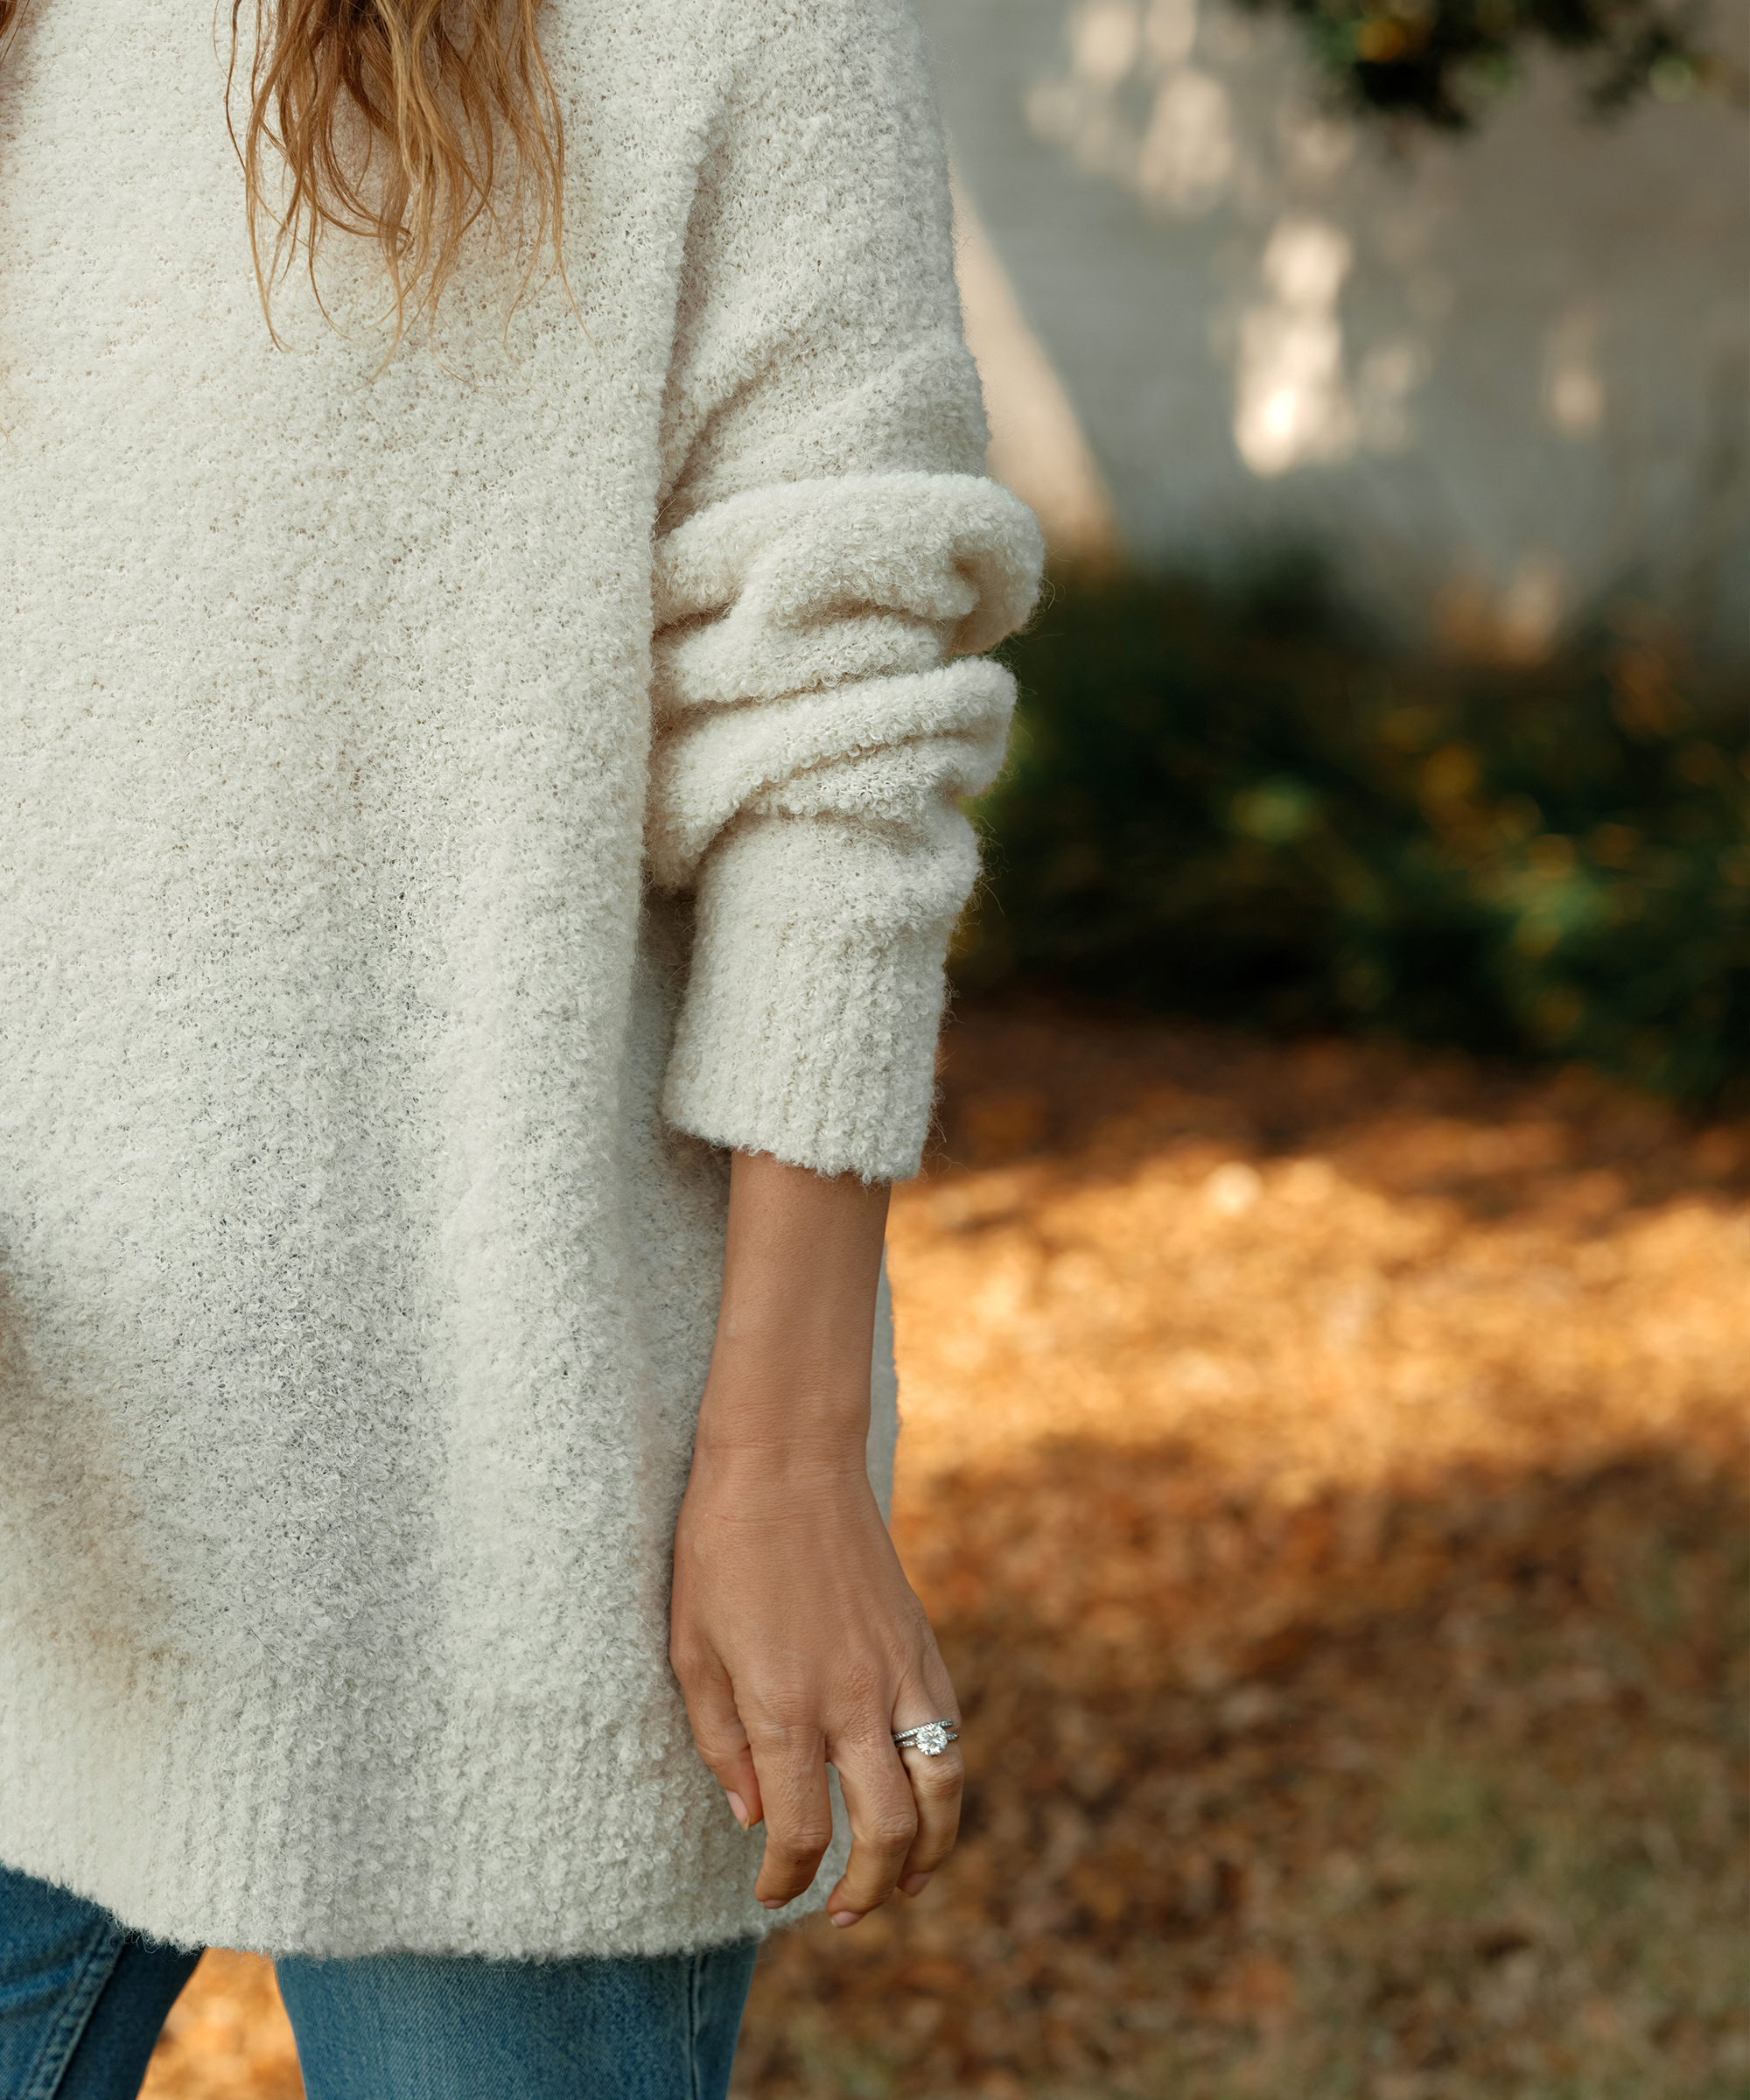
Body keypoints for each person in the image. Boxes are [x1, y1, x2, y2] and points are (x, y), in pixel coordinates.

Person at [0, 0, 1043, 2091]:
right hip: (41, 1482)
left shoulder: (731, 30)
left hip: (505, 1531)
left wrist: (784, 1461)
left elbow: (831, 751)